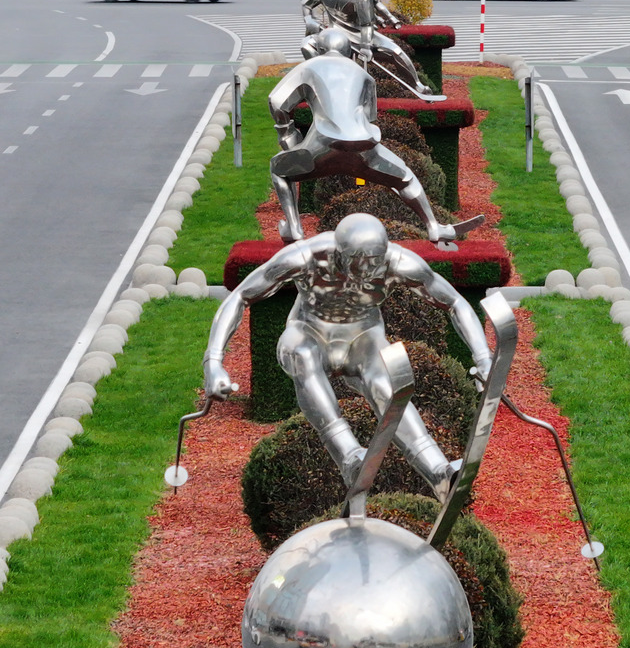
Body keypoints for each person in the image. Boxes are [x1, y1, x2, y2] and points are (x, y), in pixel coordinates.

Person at [203, 214, 493, 501]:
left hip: (363, 338)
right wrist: (213, 363)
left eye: (374, 261)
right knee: (302, 355)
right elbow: (240, 296)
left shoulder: (398, 261)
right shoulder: (307, 257)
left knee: (386, 385)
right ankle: (349, 456)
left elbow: (454, 302)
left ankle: (439, 473)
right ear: (339, 253)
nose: (368, 270)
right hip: (309, 331)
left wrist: (483, 358)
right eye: (358, 262)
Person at [267, 28, 483, 245]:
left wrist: (286, 132)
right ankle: (434, 227)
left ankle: (294, 228)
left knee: (279, 170)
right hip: (363, 145)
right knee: (405, 178)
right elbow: (370, 117)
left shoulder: (308, 67)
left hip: (323, 144)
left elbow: (277, 101)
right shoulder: (364, 74)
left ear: (319, 49)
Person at [299, 0, 443, 100]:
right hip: (333, 34)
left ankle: (417, 85)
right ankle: (320, 83)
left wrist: (366, 46)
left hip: (359, 33)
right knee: (307, 46)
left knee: (396, 52)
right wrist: (309, 19)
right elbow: (306, 4)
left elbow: (366, 25)